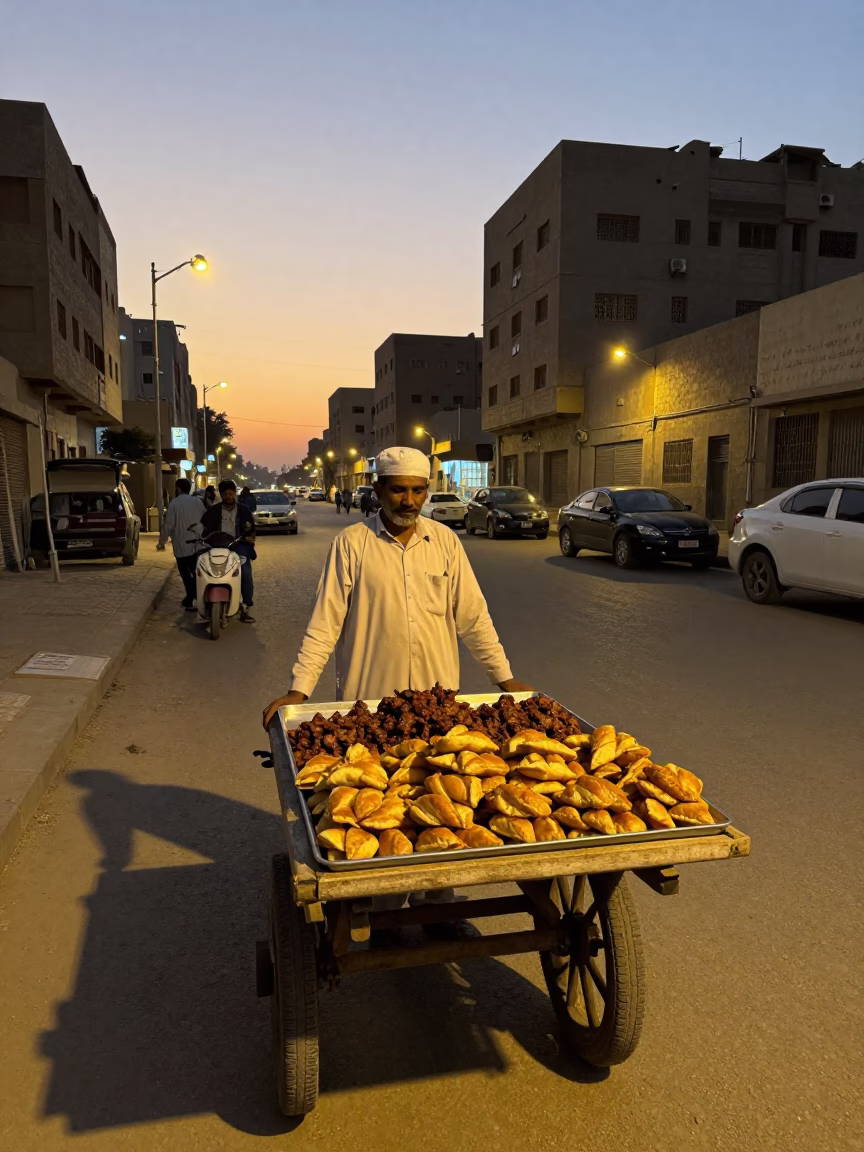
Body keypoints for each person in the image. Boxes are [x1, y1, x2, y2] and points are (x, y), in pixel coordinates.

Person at [262, 446, 531, 932]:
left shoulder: (446, 543)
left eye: (418, 490)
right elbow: (325, 623)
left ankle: (439, 905)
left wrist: (505, 678)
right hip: (373, 710)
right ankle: (384, 912)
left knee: (442, 802)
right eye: (399, 490)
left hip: (437, 707)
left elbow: (473, 619)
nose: (409, 500)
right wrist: (299, 690)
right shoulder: (352, 544)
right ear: (378, 491)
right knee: (380, 807)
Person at [201, 479, 257, 622]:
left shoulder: (244, 510)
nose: (228, 497)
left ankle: (245, 606)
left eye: (231, 494)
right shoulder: (213, 511)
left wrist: (250, 538)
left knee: (245, 574)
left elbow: (251, 530)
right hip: (217, 546)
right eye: (225, 494)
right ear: (221, 494)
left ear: (235, 494)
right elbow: (205, 529)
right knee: (203, 569)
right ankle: (202, 602)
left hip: (239, 546)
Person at [159, 477, 204, 610]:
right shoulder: (197, 501)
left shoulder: (174, 503)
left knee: (185, 573)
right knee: (196, 572)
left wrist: (162, 541)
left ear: (178, 488)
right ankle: (195, 596)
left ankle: (191, 597)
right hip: (197, 543)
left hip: (181, 543)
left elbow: (169, 525)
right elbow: (205, 518)